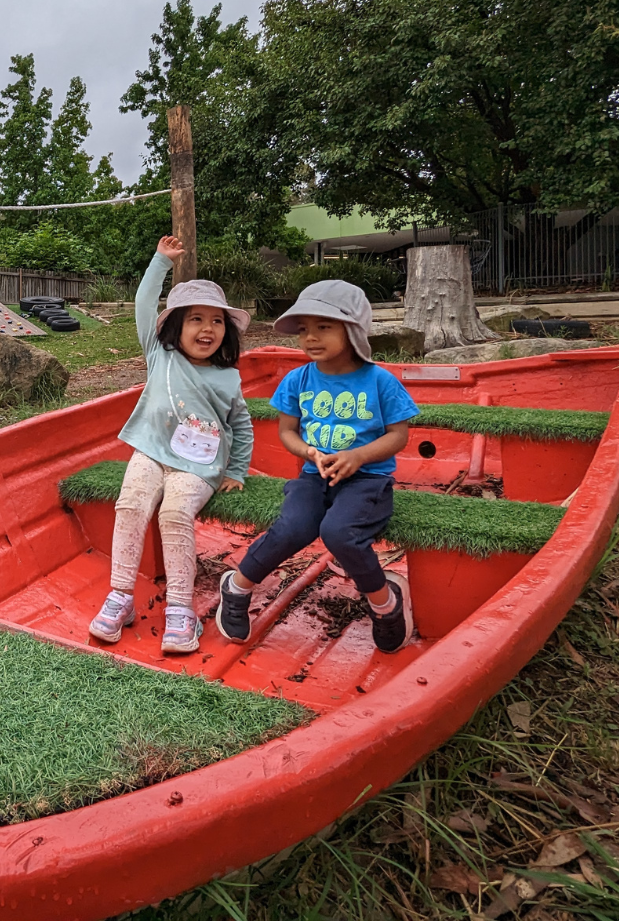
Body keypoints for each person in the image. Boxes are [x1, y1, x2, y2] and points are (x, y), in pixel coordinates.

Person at [214, 279, 420, 654]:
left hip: (366, 480)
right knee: (293, 526)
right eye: (304, 329)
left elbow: (398, 436)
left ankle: (386, 603)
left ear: (354, 330)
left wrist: (358, 456)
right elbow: (288, 432)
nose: (310, 337)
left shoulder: (380, 381)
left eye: (324, 327)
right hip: (313, 475)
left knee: (339, 532)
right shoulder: (298, 379)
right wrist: (309, 452)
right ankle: (237, 586)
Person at [89, 236, 253, 654]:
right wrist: (161, 261)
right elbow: (145, 304)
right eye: (196, 319)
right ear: (175, 327)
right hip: (150, 451)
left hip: (198, 465)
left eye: (217, 321)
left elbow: (242, 426)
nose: (208, 329)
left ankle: (181, 608)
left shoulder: (227, 377)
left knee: (175, 513)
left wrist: (235, 471)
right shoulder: (160, 356)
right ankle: (120, 595)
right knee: (130, 506)